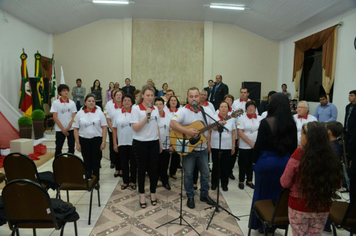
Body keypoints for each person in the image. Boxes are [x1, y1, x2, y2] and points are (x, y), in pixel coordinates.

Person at [280, 122, 342, 236]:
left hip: (299, 206)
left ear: (309, 138)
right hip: (321, 206)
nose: (300, 137)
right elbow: (338, 184)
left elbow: (284, 182)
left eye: (302, 134)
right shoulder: (332, 155)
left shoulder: (298, 154)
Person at [249, 93, 297, 232]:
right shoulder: (291, 123)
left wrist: (253, 161)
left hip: (266, 161)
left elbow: (258, 145)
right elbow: (293, 147)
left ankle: (259, 224)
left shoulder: (266, 122)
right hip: (284, 162)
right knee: (278, 194)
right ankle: (275, 224)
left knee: (260, 193)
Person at [170, 87, 216, 209]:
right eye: (191, 96)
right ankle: (190, 196)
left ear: (200, 97)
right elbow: (172, 123)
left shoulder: (206, 111)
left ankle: (204, 195)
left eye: (196, 96)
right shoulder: (183, 111)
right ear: (187, 98)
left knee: (206, 174)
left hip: (202, 149)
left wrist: (219, 124)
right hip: (189, 149)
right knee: (189, 174)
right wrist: (187, 131)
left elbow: (214, 126)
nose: (194, 98)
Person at [131, 85, 161, 209]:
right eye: (147, 95)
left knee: (154, 170)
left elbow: (157, 127)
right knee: (142, 170)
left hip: (153, 142)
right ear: (142, 95)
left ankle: (153, 193)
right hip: (140, 143)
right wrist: (146, 116)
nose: (150, 98)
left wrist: (159, 143)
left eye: (152, 95)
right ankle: (142, 195)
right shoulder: (136, 109)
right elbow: (135, 128)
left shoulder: (155, 109)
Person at [73, 94, 107, 181]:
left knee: (96, 161)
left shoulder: (100, 113)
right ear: (85, 103)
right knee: (86, 161)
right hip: (84, 140)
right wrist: (77, 143)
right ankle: (88, 180)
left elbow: (104, 127)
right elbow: (76, 129)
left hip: (96, 140)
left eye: (93, 101)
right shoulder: (79, 114)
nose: (91, 103)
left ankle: (96, 180)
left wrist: (103, 142)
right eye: (89, 101)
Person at [208, 101, 235, 192]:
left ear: (228, 109)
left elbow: (233, 133)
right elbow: (212, 130)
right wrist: (219, 123)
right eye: (221, 106)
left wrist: (233, 146)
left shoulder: (231, 118)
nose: (223, 108)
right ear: (218, 108)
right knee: (215, 166)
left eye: (225, 107)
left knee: (225, 166)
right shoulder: (214, 117)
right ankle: (214, 183)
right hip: (215, 145)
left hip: (227, 146)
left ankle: (224, 184)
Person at [112, 94, 137, 190]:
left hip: (133, 142)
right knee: (124, 163)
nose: (126, 102)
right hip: (122, 142)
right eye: (125, 100)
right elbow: (114, 129)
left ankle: (133, 181)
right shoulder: (117, 114)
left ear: (131, 102)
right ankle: (125, 181)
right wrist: (115, 143)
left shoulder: (135, 113)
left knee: (134, 164)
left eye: (128, 100)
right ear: (122, 102)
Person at [237, 100, 261, 190]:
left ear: (255, 109)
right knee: (243, 163)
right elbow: (240, 132)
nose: (251, 109)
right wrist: (250, 143)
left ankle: (250, 180)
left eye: (253, 107)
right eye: (249, 107)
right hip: (245, 145)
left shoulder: (259, 118)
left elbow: (262, 131)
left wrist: (256, 144)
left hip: (256, 145)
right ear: (246, 109)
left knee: (252, 163)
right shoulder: (242, 118)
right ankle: (241, 180)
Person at [51, 84, 77, 157]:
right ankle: (58, 164)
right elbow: (55, 117)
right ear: (60, 92)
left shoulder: (72, 103)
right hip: (60, 129)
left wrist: (68, 127)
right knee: (58, 148)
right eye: (63, 90)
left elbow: (74, 117)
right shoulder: (55, 103)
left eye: (66, 90)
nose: (66, 92)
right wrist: (63, 129)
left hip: (71, 129)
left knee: (71, 147)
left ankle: (71, 162)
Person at [155, 97, 173, 190]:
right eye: (157, 104)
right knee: (154, 165)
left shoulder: (169, 117)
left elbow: (172, 132)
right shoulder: (152, 116)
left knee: (165, 165)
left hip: (166, 145)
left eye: (160, 104)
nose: (158, 106)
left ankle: (165, 181)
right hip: (154, 145)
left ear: (164, 105)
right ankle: (155, 181)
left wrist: (171, 145)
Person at [105, 90, 124, 176]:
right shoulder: (110, 105)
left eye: (120, 95)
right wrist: (112, 128)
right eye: (117, 95)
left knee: (123, 150)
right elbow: (108, 118)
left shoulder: (125, 105)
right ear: (114, 96)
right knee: (115, 148)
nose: (119, 97)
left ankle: (123, 168)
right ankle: (117, 168)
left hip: (123, 132)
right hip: (113, 130)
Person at [165, 95, 182, 179]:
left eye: (175, 100)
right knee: (167, 155)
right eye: (171, 100)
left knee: (176, 156)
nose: (173, 102)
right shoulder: (165, 111)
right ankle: (164, 173)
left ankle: (173, 172)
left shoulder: (181, 111)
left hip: (178, 135)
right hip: (167, 135)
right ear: (169, 102)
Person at [344, 90, 356, 201]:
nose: (349, 97)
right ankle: (346, 176)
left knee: (352, 154)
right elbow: (346, 119)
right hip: (347, 133)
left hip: (354, 134)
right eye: (349, 95)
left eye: (351, 95)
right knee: (346, 154)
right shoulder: (348, 106)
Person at [224, 94, 238, 180]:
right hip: (222, 137)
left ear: (232, 102)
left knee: (232, 156)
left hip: (233, 136)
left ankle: (230, 171)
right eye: (226, 99)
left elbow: (238, 124)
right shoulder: (219, 110)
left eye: (230, 100)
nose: (228, 101)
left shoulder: (236, 112)